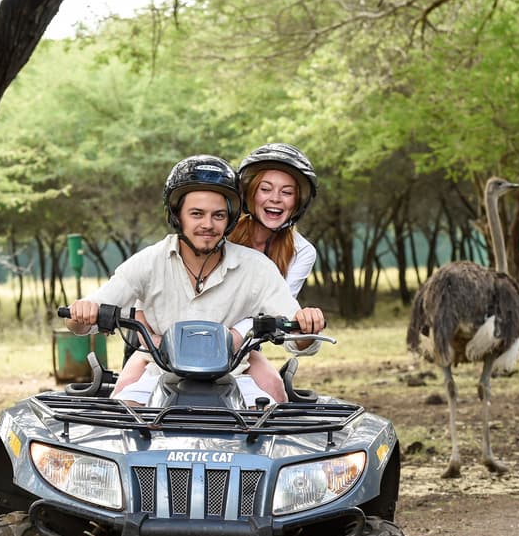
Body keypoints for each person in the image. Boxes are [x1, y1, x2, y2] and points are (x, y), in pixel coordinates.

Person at [64, 155, 325, 406]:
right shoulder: (149, 261)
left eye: (218, 215)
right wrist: (81, 313)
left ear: (231, 218)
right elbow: (86, 316)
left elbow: (297, 335)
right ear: (177, 216)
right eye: (197, 214)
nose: (208, 224)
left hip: (236, 377)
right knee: (125, 418)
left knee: (268, 422)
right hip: (158, 373)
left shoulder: (258, 268)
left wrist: (305, 326)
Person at [228, 143, 319, 402]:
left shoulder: (302, 252)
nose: (275, 198)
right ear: (249, 195)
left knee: (276, 391)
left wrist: (302, 328)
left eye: (287, 192)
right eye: (265, 189)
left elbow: (279, 307)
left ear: (298, 202)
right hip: (193, 334)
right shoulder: (222, 234)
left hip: (242, 345)